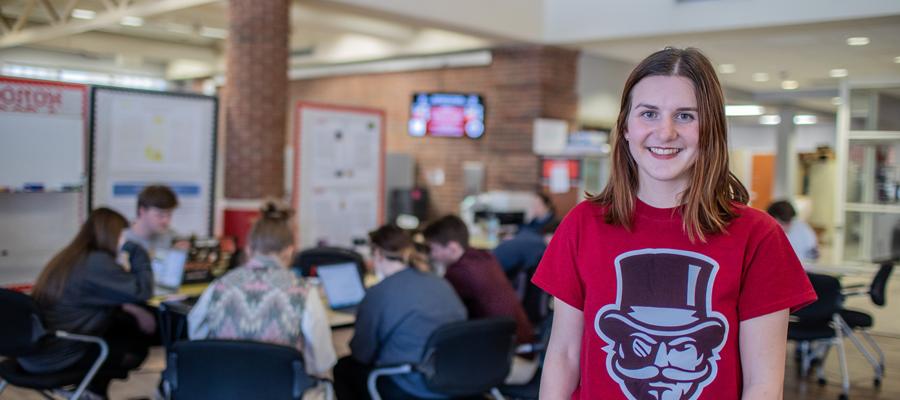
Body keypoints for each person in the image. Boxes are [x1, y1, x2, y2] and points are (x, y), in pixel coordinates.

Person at [533, 47, 817, 400]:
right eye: (649, 113)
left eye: (685, 116)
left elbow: (763, 383)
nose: (665, 132)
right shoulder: (583, 224)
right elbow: (564, 356)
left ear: (710, 129)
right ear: (625, 127)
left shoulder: (758, 236)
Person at [187, 202, 336, 399]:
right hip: (283, 391)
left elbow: (196, 334)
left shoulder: (220, 285)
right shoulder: (303, 290)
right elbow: (322, 359)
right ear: (289, 250)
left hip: (224, 389)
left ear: (249, 249)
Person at [20, 208, 156, 399]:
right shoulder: (96, 263)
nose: (123, 242)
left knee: (121, 328)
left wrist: (130, 307)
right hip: (57, 355)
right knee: (134, 345)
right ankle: (92, 391)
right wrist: (138, 251)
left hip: (32, 352)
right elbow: (143, 292)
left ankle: (92, 391)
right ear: (112, 234)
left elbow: (93, 297)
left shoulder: (70, 257)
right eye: (122, 236)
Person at [333, 224, 466, 400]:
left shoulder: (378, 293)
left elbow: (362, 354)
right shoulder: (442, 284)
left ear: (378, 254)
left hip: (408, 384)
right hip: (451, 377)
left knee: (343, 368)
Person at [422, 215, 538, 384]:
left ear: (453, 248)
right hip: (526, 351)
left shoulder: (458, 273)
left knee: (433, 369)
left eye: (433, 248)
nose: (431, 255)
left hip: (511, 362)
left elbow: (441, 314)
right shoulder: (485, 258)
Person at [124, 184, 183, 257]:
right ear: (142, 211)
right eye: (160, 215)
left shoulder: (172, 237)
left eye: (169, 215)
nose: (166, 220)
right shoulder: (122, 240)